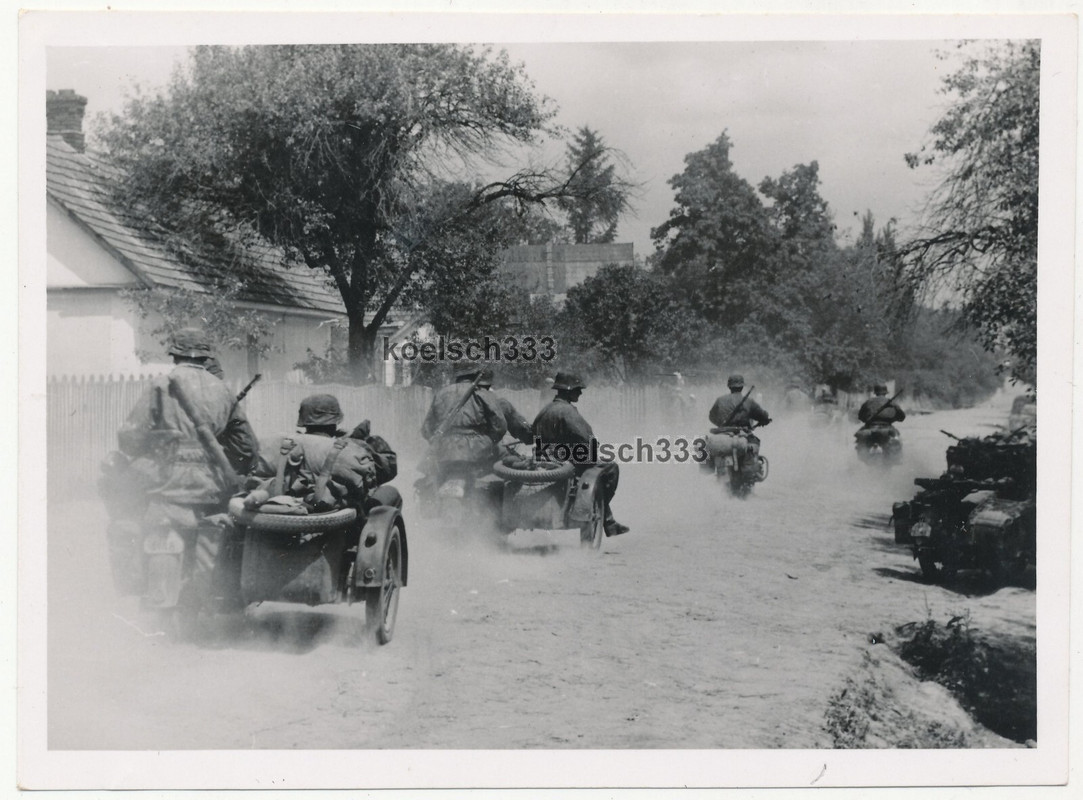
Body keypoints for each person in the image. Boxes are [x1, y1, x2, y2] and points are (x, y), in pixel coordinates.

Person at [113, 326, 260, 608]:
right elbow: (246, 448)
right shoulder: (223, 390)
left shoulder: (160, 385)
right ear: (206, 357)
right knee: (217, 535)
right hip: (211, 486)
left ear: (174, 354)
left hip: (162, 483)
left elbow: (130, 438)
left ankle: (137, 580)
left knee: (126, 509)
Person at [250, 394, 401, 513]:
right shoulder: (350, 448)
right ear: (335, 421)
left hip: (281, 506)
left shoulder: (283, 443)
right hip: (335, 517)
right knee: (389, 494)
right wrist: (364, 441)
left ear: (303, 421)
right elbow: (388, 469)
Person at [532, 372, 628, 537]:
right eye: (577, 390)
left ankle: (609, 521)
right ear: (568, 391)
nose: (580, 393)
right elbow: (586, 438)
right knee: (609, 467)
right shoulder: (568, 411)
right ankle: (606, 518)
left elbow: (532, 433)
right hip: (568, 461)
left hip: (544, 458)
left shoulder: (545, 410)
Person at [420, 365, 508, 478]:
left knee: (431, 475)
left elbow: (426, 429)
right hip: (477, 447)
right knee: (506, 461)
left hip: (444, 447)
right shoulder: (483, 393)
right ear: (476, 374)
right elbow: (500, 426)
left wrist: (438, 441)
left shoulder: (441, 393)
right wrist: (489, 440)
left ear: (455, 375)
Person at [707, 374, 772, 474]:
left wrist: (721, 424)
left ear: (729, 386)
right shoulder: (749, 402)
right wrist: (765, 419)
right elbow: (762, 416)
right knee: (754, 443)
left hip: (722, 434)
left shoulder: (720, 400)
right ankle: (752, 472)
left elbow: (712, 417)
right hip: (742, 434)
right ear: (742, 387)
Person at [477, 368, 534, 446]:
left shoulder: (458, 398)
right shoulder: (499, 404)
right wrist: (532, 434)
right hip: (485, 449)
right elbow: (523, 431)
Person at [857, 383, 906, 448]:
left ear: (875, 392)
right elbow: (902, 417)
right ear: (885, 393)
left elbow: (860, 416)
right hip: (887, 426)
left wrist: (867, 419)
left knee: (860, 440)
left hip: (870, 426)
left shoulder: (868, 402)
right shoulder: (892, 403)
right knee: (897, 440)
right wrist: (894, 418)